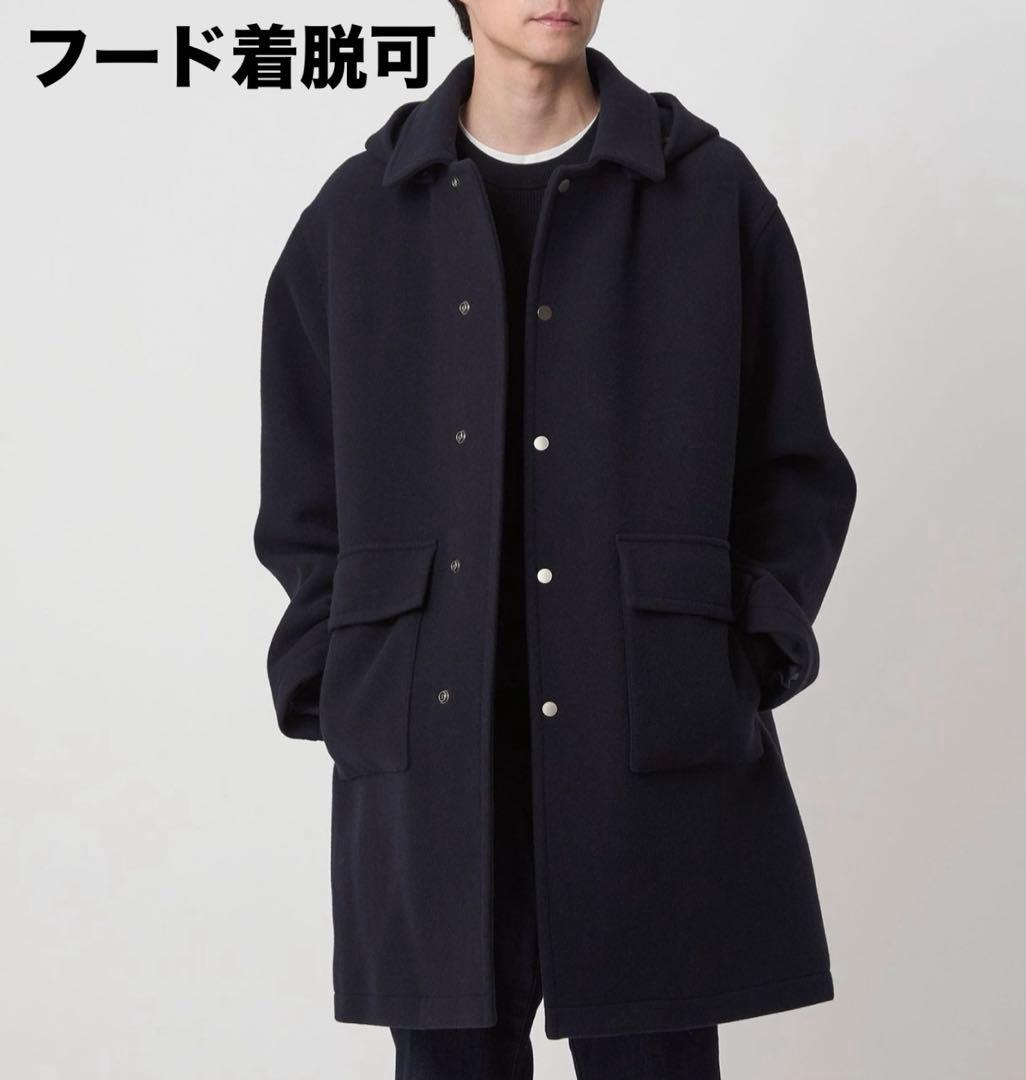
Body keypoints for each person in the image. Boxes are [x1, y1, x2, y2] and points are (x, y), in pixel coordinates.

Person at [253, 2, 857, 1078]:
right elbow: (305, 500)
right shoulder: (357, 216)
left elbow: (793, 464)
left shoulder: (708, 194)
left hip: (646, 741)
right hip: (435, 758)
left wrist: (736, 656)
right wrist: (340, 673)